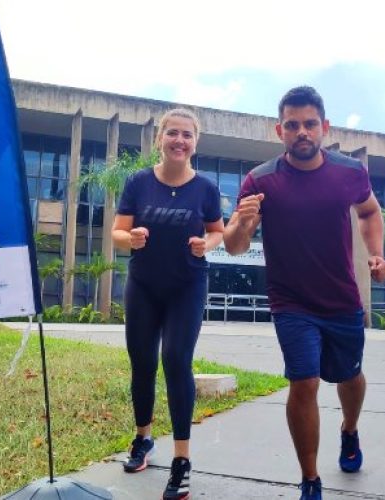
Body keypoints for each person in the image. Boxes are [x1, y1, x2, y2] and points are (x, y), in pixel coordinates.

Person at [223, 86, 385, 500]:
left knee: (350, 376)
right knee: (305, 382)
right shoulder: (260, 181)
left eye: (310, 124)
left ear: (324, 128)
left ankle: (349, 430)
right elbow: (234, 245)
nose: (302, 132)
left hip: (341, 299)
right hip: (290, 302)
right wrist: (243, 223)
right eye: (292, 125)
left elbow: (369, 211)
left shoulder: (350, 172)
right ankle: (310, 479)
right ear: (280, 130)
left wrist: (377, 254)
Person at [112, 108, 224, 500]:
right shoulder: (138, 183)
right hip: (143, 285)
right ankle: (143, 438)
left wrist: (204, 244)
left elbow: (217, 232)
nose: (179, 140)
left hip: (186, 286)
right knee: (142, 362)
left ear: (196, 142)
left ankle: (181, 460)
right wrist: (131, 238)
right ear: (160, 138)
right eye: (172, 133)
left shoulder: (206, 189)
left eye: (187, 135)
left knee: (176, 360)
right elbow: (117, 231)